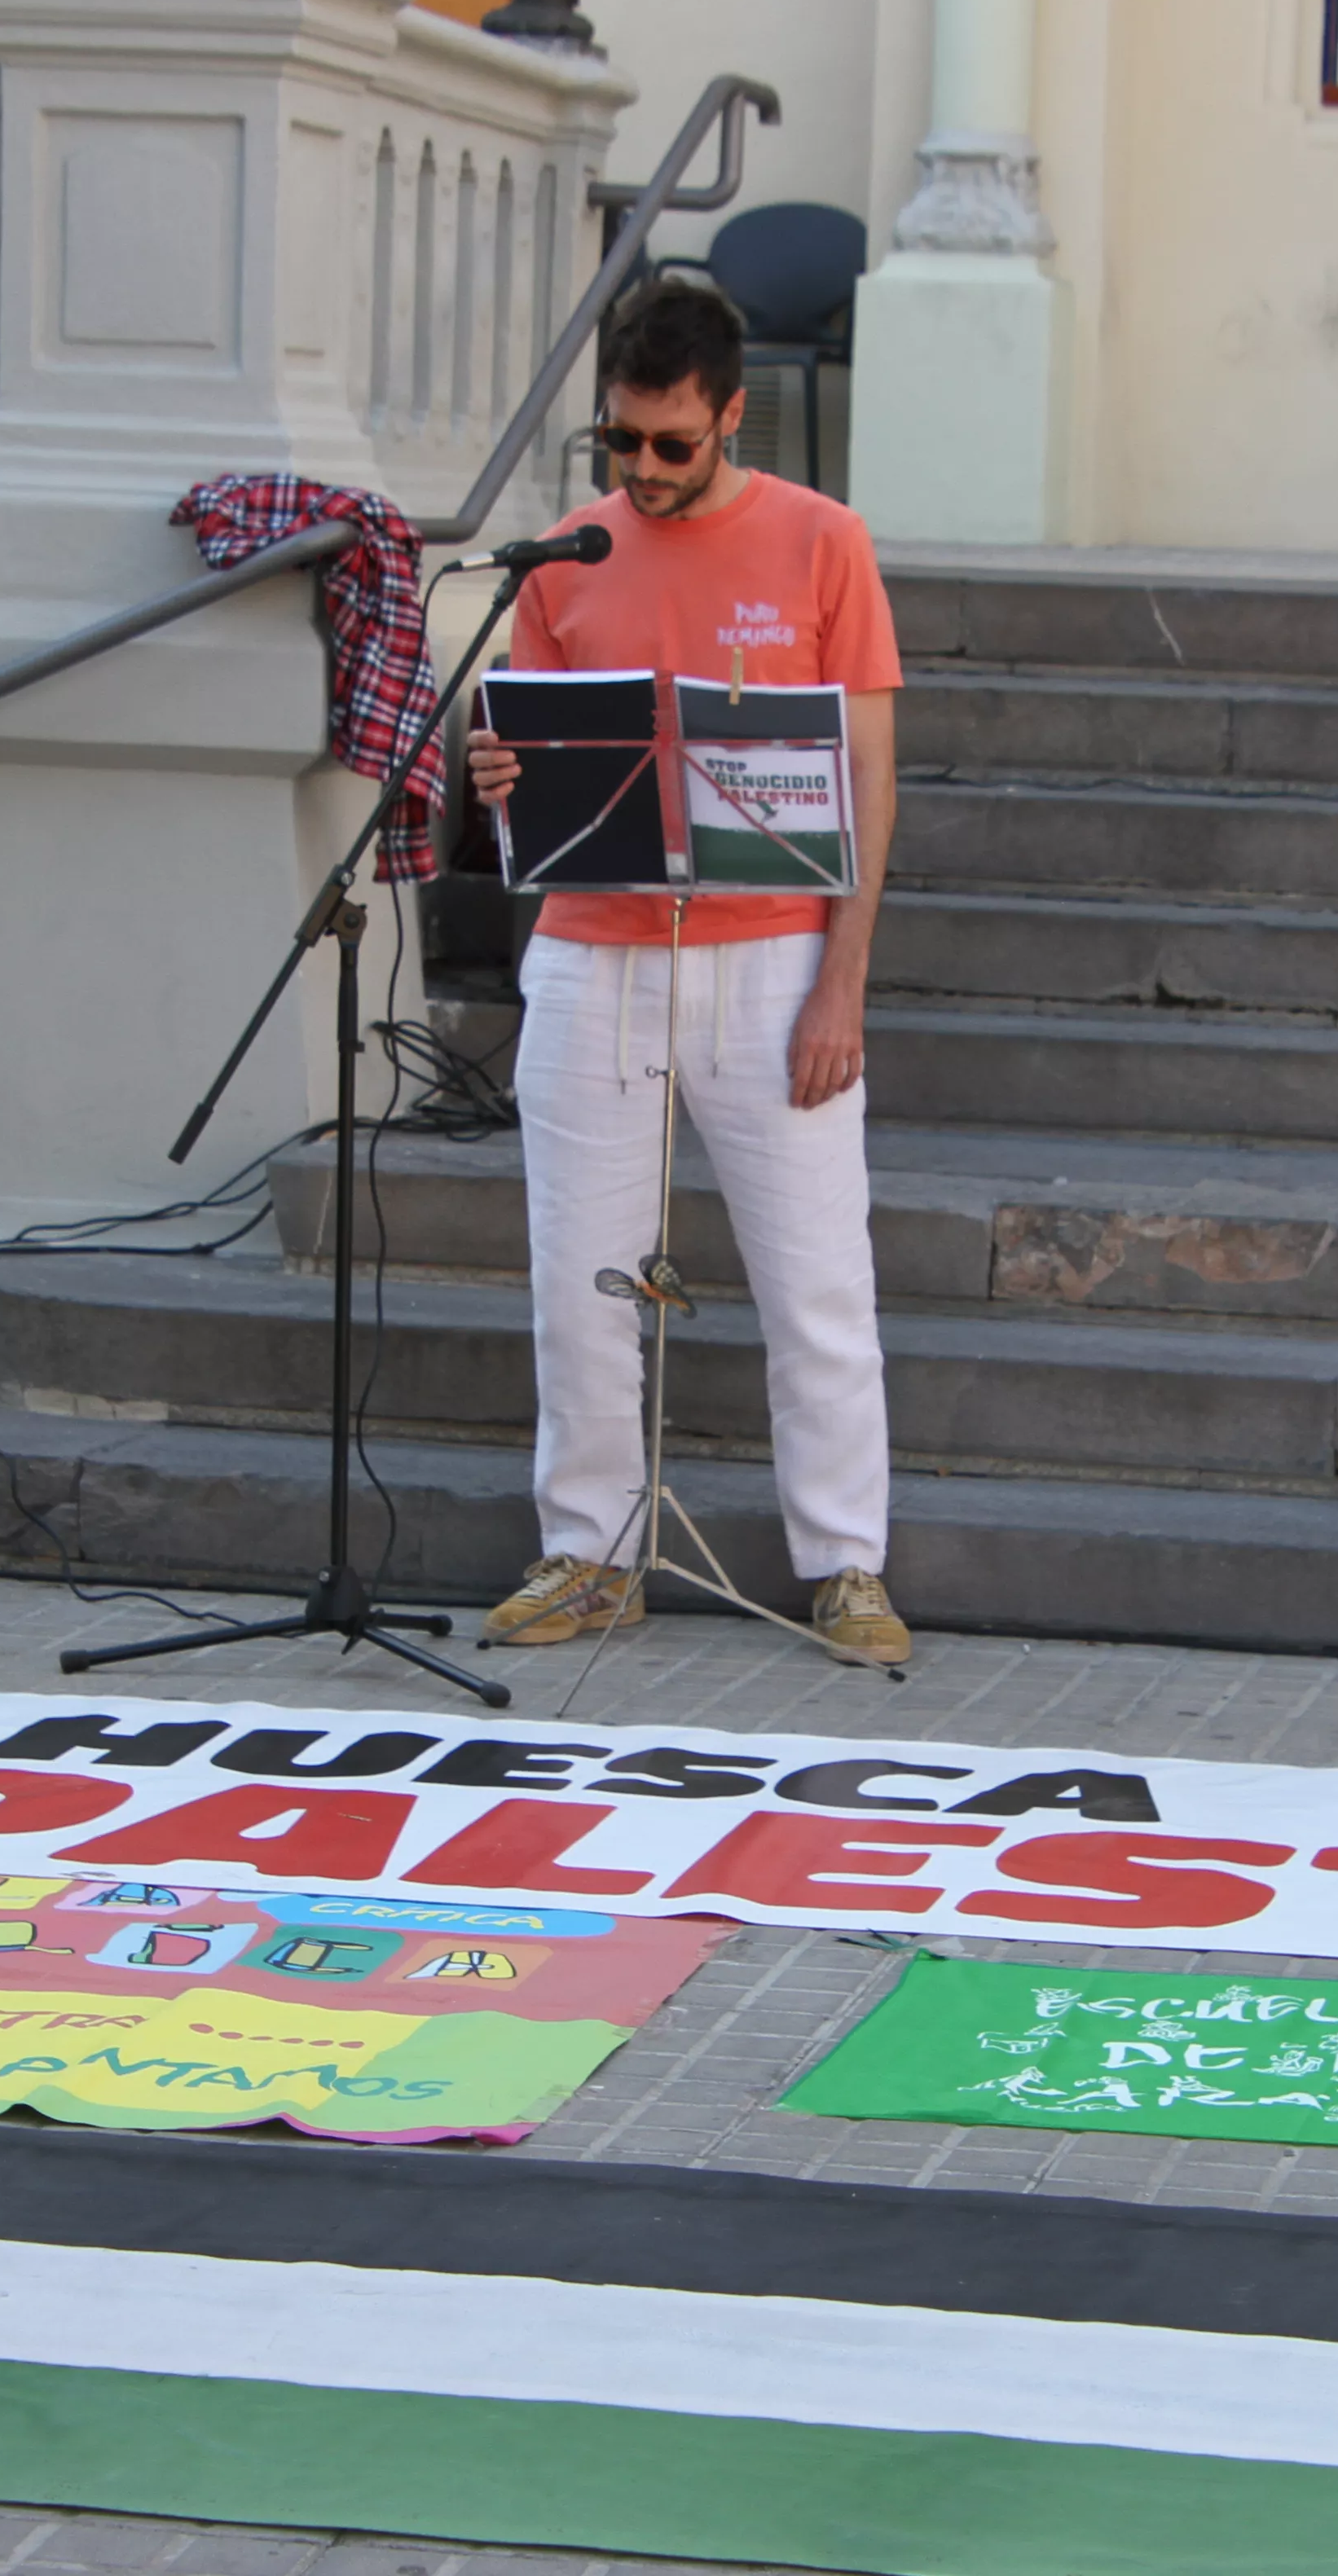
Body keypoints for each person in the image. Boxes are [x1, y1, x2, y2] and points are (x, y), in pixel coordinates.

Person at [458, 284, 910, 1671]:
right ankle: (588, 1554)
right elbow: (525, 781)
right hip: (593, 951)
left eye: (672, 446)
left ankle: (843, 1565)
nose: (642, 475)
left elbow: (870, 775)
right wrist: (493, 787)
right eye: (621, 443)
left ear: (731, 414)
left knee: (817, 1281)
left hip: (772, 958)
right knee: (579, 1281)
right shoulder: (564, 554)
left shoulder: (824, 543)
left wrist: (844, 981)